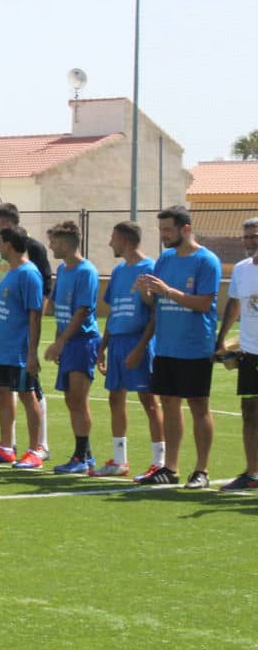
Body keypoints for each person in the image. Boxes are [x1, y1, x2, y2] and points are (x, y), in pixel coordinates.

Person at [134, 206, 221, 488]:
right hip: (166, 345)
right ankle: (170, 468)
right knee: (170, 404)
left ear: (186, 228)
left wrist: (168, 290)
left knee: (198, 405)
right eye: (161, 230)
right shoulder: (165, 259)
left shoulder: (207, 261)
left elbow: (205, 304)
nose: (164, 236)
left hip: (195, 346)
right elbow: (155, 304)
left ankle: (202, 471)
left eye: (168, 230)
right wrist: (145, 292)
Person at [0, 202, 52, 458]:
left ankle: (37, 447)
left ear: (9, 238)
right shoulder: (7, 264)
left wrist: (32, 349)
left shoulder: (30, 266)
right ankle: (7, 445)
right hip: (1, 342)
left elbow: (36, 308)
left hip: (18, 346)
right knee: (4, 392)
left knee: (29, 393)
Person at [94, 221, 164, 479]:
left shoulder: (151, 268)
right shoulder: (119, 271)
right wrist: (102, 348)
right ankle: (120, 461)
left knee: (149, 401)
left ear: (125, 239)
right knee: (115, 398)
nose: (110, 242)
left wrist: (141, 347)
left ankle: (159, 461)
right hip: (118, 342)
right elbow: (114, 312)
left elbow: (157, 312)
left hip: (139, 341)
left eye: (113, 237)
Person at [42, 220, 101, 474]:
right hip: (68, 343)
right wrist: (58, 340)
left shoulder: (86, 271)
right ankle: (85, 454)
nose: (51, 247)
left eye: (54, 242)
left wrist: (61, 342)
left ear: (66, 244)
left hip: (83, 342)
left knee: (78, 399)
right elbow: (58, 309)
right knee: (70, 400)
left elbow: (82, 311)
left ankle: (81, 457)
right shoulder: (63, 270)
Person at [216, 218, 258, 491]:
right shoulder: (242, 270)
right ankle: (252, 474)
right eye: (246, 237)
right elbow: (235, 305)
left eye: (255, 236)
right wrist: (220, 341)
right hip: (250, 353)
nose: (250, 241)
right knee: (250, 411)